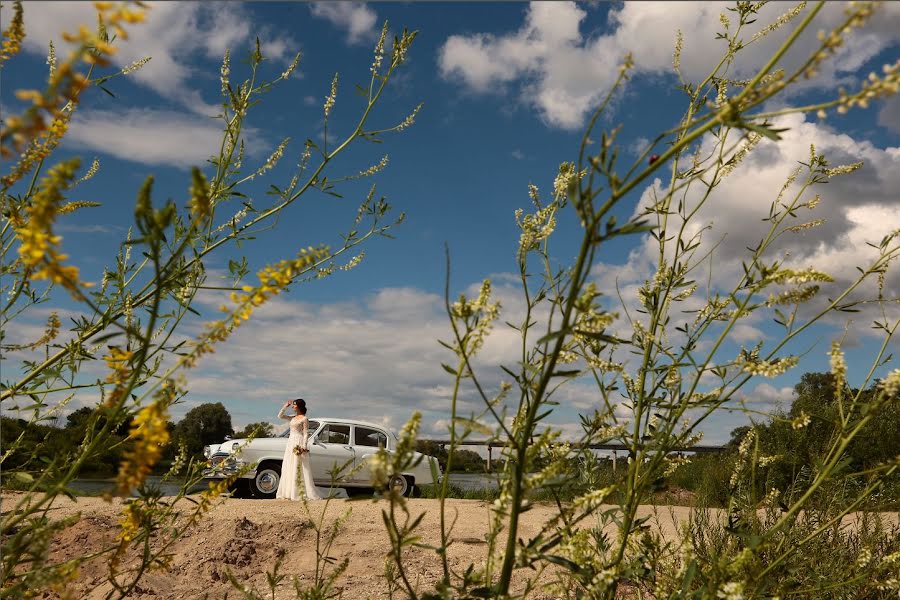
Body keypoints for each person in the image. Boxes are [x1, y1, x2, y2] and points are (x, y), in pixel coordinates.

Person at [275, 398, 347, 500]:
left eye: (294, 405)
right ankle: (289, 491)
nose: (293, 406)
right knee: (290, 464)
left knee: (298, 465)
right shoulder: (293, 418)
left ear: (299, 406)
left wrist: (304, 447)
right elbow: (280, 416)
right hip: (290, 442)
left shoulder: (304, 419)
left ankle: (297, 491)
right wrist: (285, 406)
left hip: (298, 441)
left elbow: (305, 434)